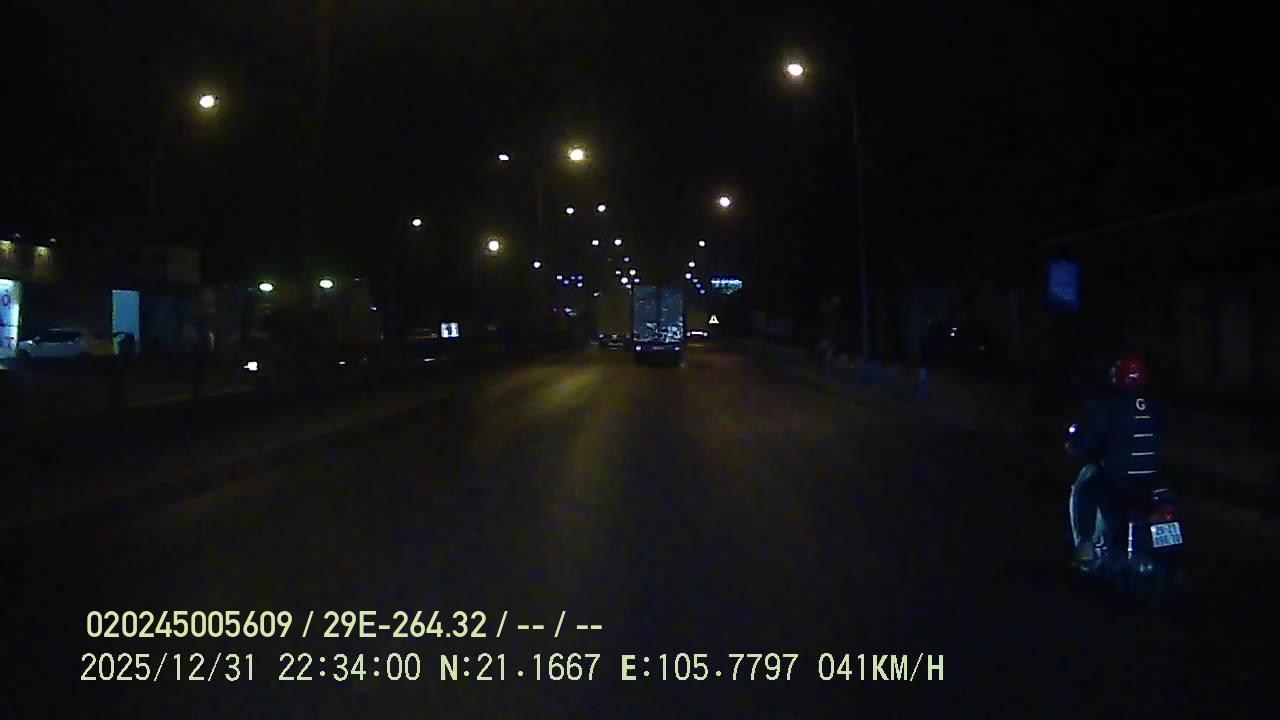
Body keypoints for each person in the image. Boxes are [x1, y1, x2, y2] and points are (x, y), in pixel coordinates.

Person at [1065, 353, 1165, 567]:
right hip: (1151, 479)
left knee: (1085, 487)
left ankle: (1085, 546)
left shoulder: (1108, 406)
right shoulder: (1154, 406)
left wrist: (1075, 446)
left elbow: (1086, 440)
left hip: (1118, 480)